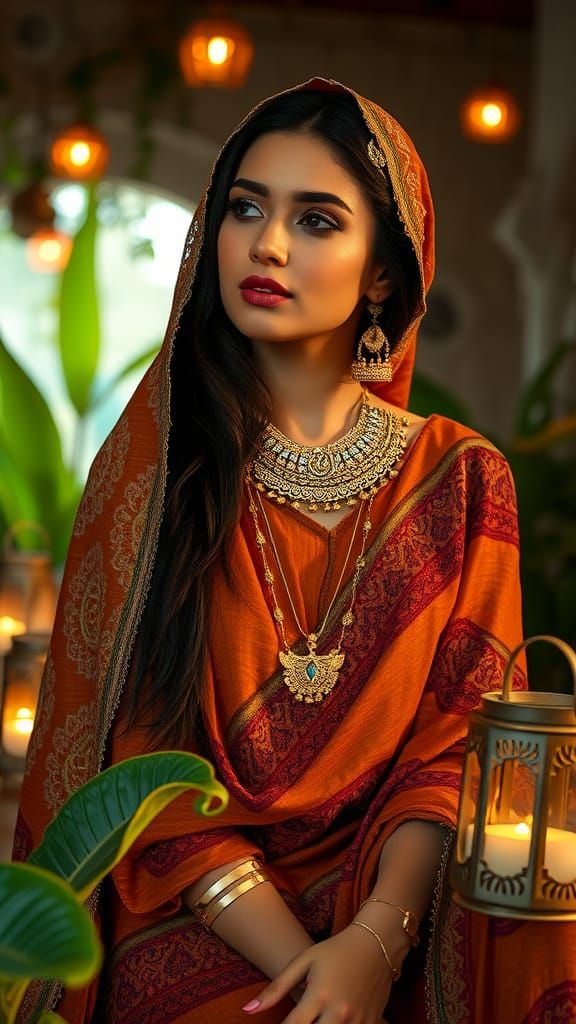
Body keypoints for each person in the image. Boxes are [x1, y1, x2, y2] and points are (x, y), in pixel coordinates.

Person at [13, 78, 575, 1024]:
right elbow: (140, 763)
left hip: (404, 908)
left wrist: (370, 944)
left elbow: (454, 751)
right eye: (245, 208)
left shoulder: (463, 478)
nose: (267, 244)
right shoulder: (158, 469)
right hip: (197, 912)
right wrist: (305, 966)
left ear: (385, 273)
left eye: (317, 220)